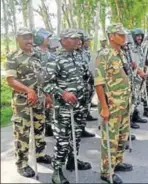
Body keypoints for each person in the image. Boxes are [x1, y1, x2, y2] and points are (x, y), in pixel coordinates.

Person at [44, 29, 92, 184]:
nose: (79, 41)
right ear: (64, 40)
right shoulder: (55, 59)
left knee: (76, 136)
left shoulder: (79, 56)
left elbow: (86, 77)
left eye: (79, 38)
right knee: (62, 140)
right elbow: (46, 84)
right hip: (63, 109)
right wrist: (62, 93)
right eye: (74, 38)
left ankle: (72, 160)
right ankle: (57, 171)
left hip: (80, 106)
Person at [5, 27, 52, 178]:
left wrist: (47, 94)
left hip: (39, 100)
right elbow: (11, 80)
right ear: (18, 39)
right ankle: (22, 163)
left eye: (30, 37)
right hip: (22, 103)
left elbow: (42, 77)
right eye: (25, 38)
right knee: (22, 133)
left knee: (40, 128)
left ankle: (40, 154)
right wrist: (28, 90)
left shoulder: (37, 54)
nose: (29, 41)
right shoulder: (13, 57)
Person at [95, 23, 133, 184]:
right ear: (111, 36)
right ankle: (106, 171)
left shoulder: (121, 53)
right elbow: (98, 83)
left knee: (122, 136)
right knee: (110, 138)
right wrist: (104, 107)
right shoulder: (104, 55)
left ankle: (117, 162)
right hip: (111, 104)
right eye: (121, 35)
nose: (124, 37)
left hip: (124, 103)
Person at [33, 28, 56, 137]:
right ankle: (40, 129)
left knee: (49, 105)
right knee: (40, 109)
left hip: (49, 84)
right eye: (47, 38)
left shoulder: (50, 53)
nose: (49, 40)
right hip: (39, 86)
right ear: (41, 39)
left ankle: (48, 126)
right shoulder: (35, 53)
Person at [76, 29, 97, 138]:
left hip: (86, 84)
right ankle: (76, 130)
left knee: (84, 108)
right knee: (77, 109)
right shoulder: (73, 54)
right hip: (76, 87)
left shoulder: (84, 52)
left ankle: (82, 128)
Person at [129, 28, 148, 126]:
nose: (139, 38)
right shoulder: (131, 49)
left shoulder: (140, 47)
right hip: (133, 77)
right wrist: (139, 72)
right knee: (132, 99)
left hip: (140, 77)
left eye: (141, 36)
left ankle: (135, 115)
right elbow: (132, 64)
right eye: (137, 36)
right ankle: (129, 119)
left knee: (138, 98)